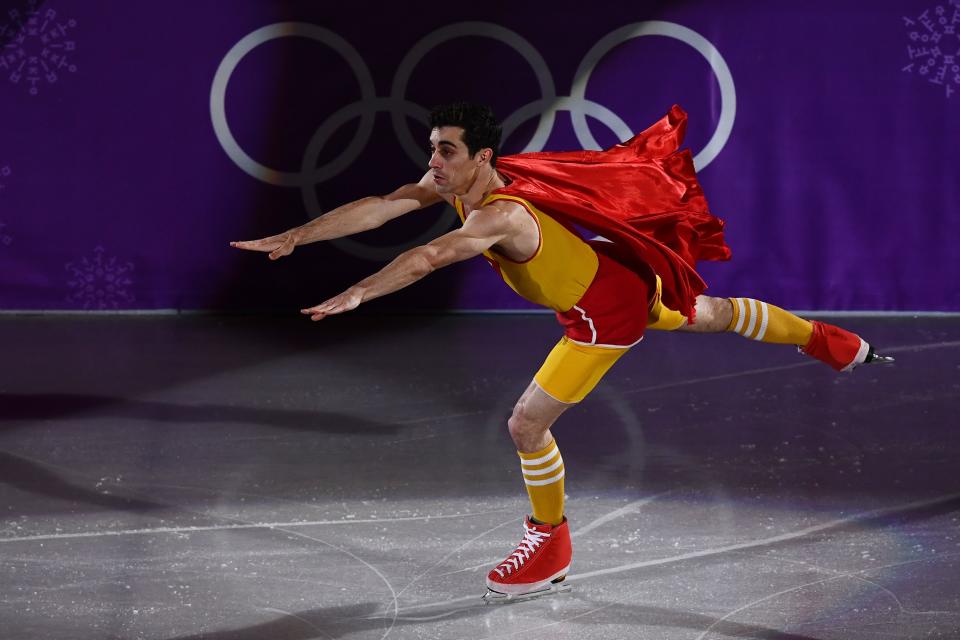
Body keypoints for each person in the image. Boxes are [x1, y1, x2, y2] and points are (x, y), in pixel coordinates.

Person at [230, 102, 892, 599]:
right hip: (618, 272)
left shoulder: (500, 214)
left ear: (482, 157)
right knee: (714, 314)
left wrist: (359, 293)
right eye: (433, 150)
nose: (434, 163)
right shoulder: (460, 185)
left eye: (447, 153)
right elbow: (378, 207)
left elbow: (431, 254)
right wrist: (297, 235)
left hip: (603, 315)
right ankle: (832, 341)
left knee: (525, 423)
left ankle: (549, 543)